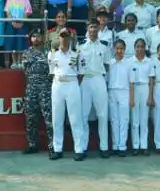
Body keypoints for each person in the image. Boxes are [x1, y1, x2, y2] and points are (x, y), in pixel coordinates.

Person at [48, 29, 85, 161]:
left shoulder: (77, 53)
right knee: (57, 118)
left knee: (75, 118)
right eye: (62, 36)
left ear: (70, 38)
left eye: (66, 36)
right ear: (58, 37)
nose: (64, 39)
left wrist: (73, 83)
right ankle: (57, 149)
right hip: (58, 85)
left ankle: (79, 149)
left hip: (72, 84)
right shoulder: (52, 54)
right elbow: (52, 72)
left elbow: (81, 73)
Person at [77, 22, 110, 158]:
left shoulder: (104, 45)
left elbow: (107, 65)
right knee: (83, 115)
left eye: (95, 27)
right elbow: (77, 64)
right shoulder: (80, 45)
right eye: (91, 27)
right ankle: (82, 147)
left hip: (98, 78)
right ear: (87, 29)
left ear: (98, 29)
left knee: (103, 114)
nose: (93, 29)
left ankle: (104, 147)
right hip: (85, 80)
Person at [21, 29, 52, 155]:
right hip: (31, 88)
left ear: (42, 38)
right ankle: (32, 144)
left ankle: (53, 145)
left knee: (49, 118)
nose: (35, 38)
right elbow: (25, 70)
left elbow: (52, 70)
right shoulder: (26, 53)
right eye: (33, 36)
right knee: (31, 118)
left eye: (38, 36)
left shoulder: (49, 52)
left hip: (46, 88)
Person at [106, 39, 136, 156]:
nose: (119, 51)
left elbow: (132, 83)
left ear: (125, 49)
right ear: (114, 49)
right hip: (112, 91)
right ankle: (115, 145)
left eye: (121, 48)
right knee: (114, 119)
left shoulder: (129, 63)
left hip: (125, 92)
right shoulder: (110, 63)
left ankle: (122, 146)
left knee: (124, 120)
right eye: (117, 48)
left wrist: (132, 99)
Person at [4, 0, 32, 66]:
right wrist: (12, 22)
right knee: (12, 42)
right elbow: (7, 12)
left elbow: (27, 12)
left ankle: (20, 61)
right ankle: (14, 62)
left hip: (22, 24)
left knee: (21, 41)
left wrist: (22, 22)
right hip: (11, 24)